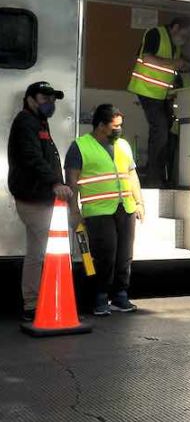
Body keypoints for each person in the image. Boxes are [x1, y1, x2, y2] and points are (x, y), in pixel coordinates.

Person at [65, 104, 145, 316]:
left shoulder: (124, 145)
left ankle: (120, 296)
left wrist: (139, 202)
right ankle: (100, 297)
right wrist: (73, 211)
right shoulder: (80, 146)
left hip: (125, 207)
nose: (119, 130)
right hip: (98, 210)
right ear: (101, 125)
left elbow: (132, 175)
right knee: (104, 255)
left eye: (121, 125)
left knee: (124, 255)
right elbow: (71, 181)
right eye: (115, 126)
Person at [7, 81, 73, 322]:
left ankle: (32, 304)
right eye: (45, 99)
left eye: (53, 99)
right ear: (30, 99)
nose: (51, 103)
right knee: (53, 252)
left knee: (36, 254)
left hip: (37, 197)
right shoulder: (26, 122)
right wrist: (56, 183)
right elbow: (33, 158)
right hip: (34, 198)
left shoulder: (38, 122)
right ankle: (54, 304)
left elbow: (44, 159)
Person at [127, 17, 190, 187]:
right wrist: (174, 63)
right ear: (176, 27)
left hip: (160, 94)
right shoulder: (155, 33)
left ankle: (156, 174)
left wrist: (182, 65)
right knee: (161, 131)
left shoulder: (175, 46)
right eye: (185, 34)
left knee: (164, 132)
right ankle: (153, 178)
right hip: (146, 89)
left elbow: (170, 67)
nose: (185, 39)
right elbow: (147, 59)